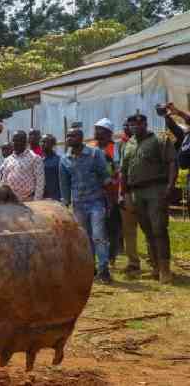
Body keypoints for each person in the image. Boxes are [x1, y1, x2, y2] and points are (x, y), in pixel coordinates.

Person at [120, 114, 177, 284]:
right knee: (147, 230)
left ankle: (165, 269)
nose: (134, 128)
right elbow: (123, 171)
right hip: (136, 192)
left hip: (156, 189)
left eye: (137, 124)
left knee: (159, 228)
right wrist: (123, 194)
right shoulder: (128, 144)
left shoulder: (159, 140)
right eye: (131, 125)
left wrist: (170, 186)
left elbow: (172, 162)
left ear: (145, 124)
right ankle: (155, 267)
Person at [59, 126, 113, 283]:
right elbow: (64, 185)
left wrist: (110, 201)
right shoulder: (64, 159)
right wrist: (65, 203)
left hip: (96, 202)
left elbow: (105, 177)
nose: (69, 138)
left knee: (98, 236)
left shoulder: (95, 154)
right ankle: (91, 268)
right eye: (68, 136)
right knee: (84, 238)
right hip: (78, 204)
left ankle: (104, 270)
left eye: (73, 136)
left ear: (81, 138)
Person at [91, 118, 123, 266]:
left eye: (100, 130)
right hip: (93, 193)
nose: (96, 132)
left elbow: (118, 170)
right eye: (96, 129)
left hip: (111, 193)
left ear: (109, 133)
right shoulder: (90, 148)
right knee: (95, 227)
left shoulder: (116, 148)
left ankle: (111, 256)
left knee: (112, 226)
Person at [117, 118, 142, 277]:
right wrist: (121, 193)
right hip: (128, 192)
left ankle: (156, 263)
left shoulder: (149, 142)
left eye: (131, 125)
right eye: (126, 125)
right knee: (128, 230)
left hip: (146, 190)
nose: (128, 128)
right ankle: (133, 263)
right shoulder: (122, 145)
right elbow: (122, 171)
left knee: (150, 228)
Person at [0, 130, 45, 202]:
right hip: (11, 201)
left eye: (18, 140)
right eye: (13, 141)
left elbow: (40, 182)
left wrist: (36, 202)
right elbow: (4, 181)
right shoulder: (8, 160)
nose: (15, 143)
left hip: (29, 200)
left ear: (25, 142)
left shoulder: (35, 158)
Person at [41, 134, 61, 201]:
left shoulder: (59, 160)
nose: (42, 144)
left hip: (56, 197)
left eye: (45, 142)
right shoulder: (38, 160)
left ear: (52, 144)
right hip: (42, 197)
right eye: (41, 142)